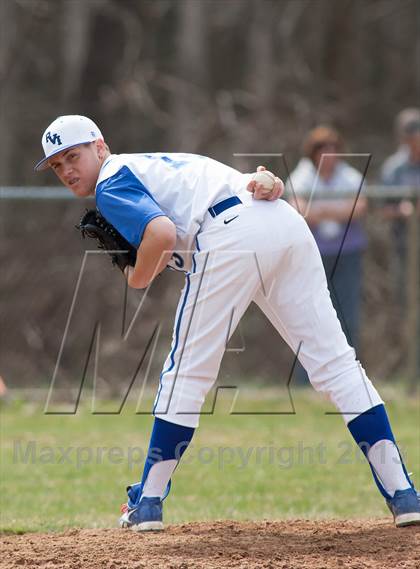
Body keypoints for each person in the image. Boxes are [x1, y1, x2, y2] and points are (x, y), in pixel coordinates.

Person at [35, 115, 420, 531]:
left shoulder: (112, 180)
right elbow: (261, 185)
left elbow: (161, 235)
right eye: (57, 165)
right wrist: (270, 183)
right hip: (283, 224)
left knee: (186, 372)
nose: (67, 169)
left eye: (73, 155)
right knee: (337, 365)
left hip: (230, 236)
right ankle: (403, 494)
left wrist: (135, 275)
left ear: (100, 147)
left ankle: (146, 501)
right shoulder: (156, 164)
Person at [287, 126, 367, 358]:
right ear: (313, 153)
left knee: (348, 315)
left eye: (333, 150)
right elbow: (298, 208)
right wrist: (337, 209)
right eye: (323, 150)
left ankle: (352, 370)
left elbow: (359, 207)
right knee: (310, 315)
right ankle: (307, 379)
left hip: (347, 254)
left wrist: (320, 210)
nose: (329, 156)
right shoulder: (302, 175)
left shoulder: (348, 176)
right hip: (314, 254)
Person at [380, 108, 420, 309]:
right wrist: (403, 211)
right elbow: (384, 210)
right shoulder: (394, 168)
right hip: (405, 246)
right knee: (407, 303)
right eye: (410, 138)